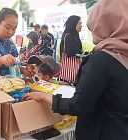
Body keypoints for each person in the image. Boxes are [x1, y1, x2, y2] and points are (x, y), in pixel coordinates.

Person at [23, 0, 128, 139]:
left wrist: (43, 96)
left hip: (101, 132)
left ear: (103, 23)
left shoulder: (101, 60)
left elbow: (77, 105)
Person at [58, 15, 83, 84]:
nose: (81, 25)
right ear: (73, 24)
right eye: (79, 23)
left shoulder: (74, 35)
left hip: (71, 73)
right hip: (70, 73)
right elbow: (71, 53)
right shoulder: (68, 36)